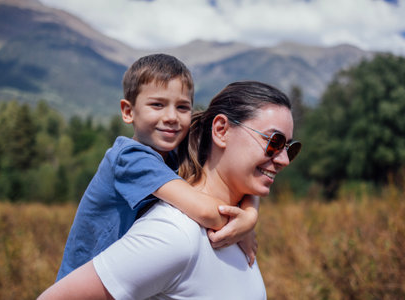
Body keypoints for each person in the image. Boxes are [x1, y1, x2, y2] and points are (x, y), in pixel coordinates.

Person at [38, 81, 302, 299]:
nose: (284, 160)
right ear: (221, 130)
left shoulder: (237, 234)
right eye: (274, 142)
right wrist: (247, 219)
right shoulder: (176, 233)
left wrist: (249, 215)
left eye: (290, 148)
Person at [56, 54, 259, 281]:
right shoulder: (130, 159)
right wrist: (246, 223)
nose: (171, 117)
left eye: (182, 107)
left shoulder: (175, 150)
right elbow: (206, 212)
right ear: (128, 111)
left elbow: (240, 176)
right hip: (86, 287)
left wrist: (250, 212)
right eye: (157, 105)